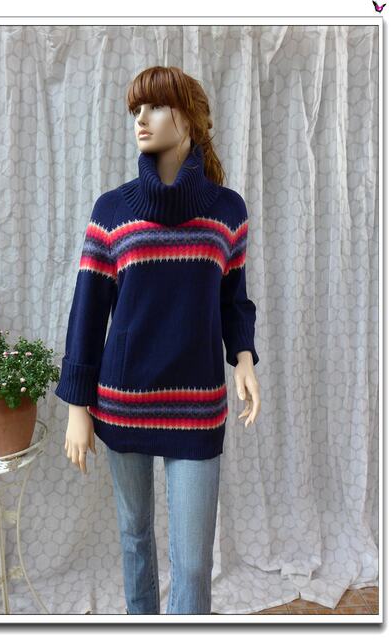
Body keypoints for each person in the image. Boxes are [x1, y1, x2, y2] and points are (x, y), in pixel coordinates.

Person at [55, 65, 261, 615]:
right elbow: (87, 312)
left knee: (193, 563)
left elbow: (233, 298)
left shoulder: (228, 211)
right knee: (135, 539)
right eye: (136, 110)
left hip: (197, 404)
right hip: (122, 400)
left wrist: (243, 357)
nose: (141, 119)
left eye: (155, 107)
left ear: (188, 119)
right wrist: (77, 406)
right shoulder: (111, 211)